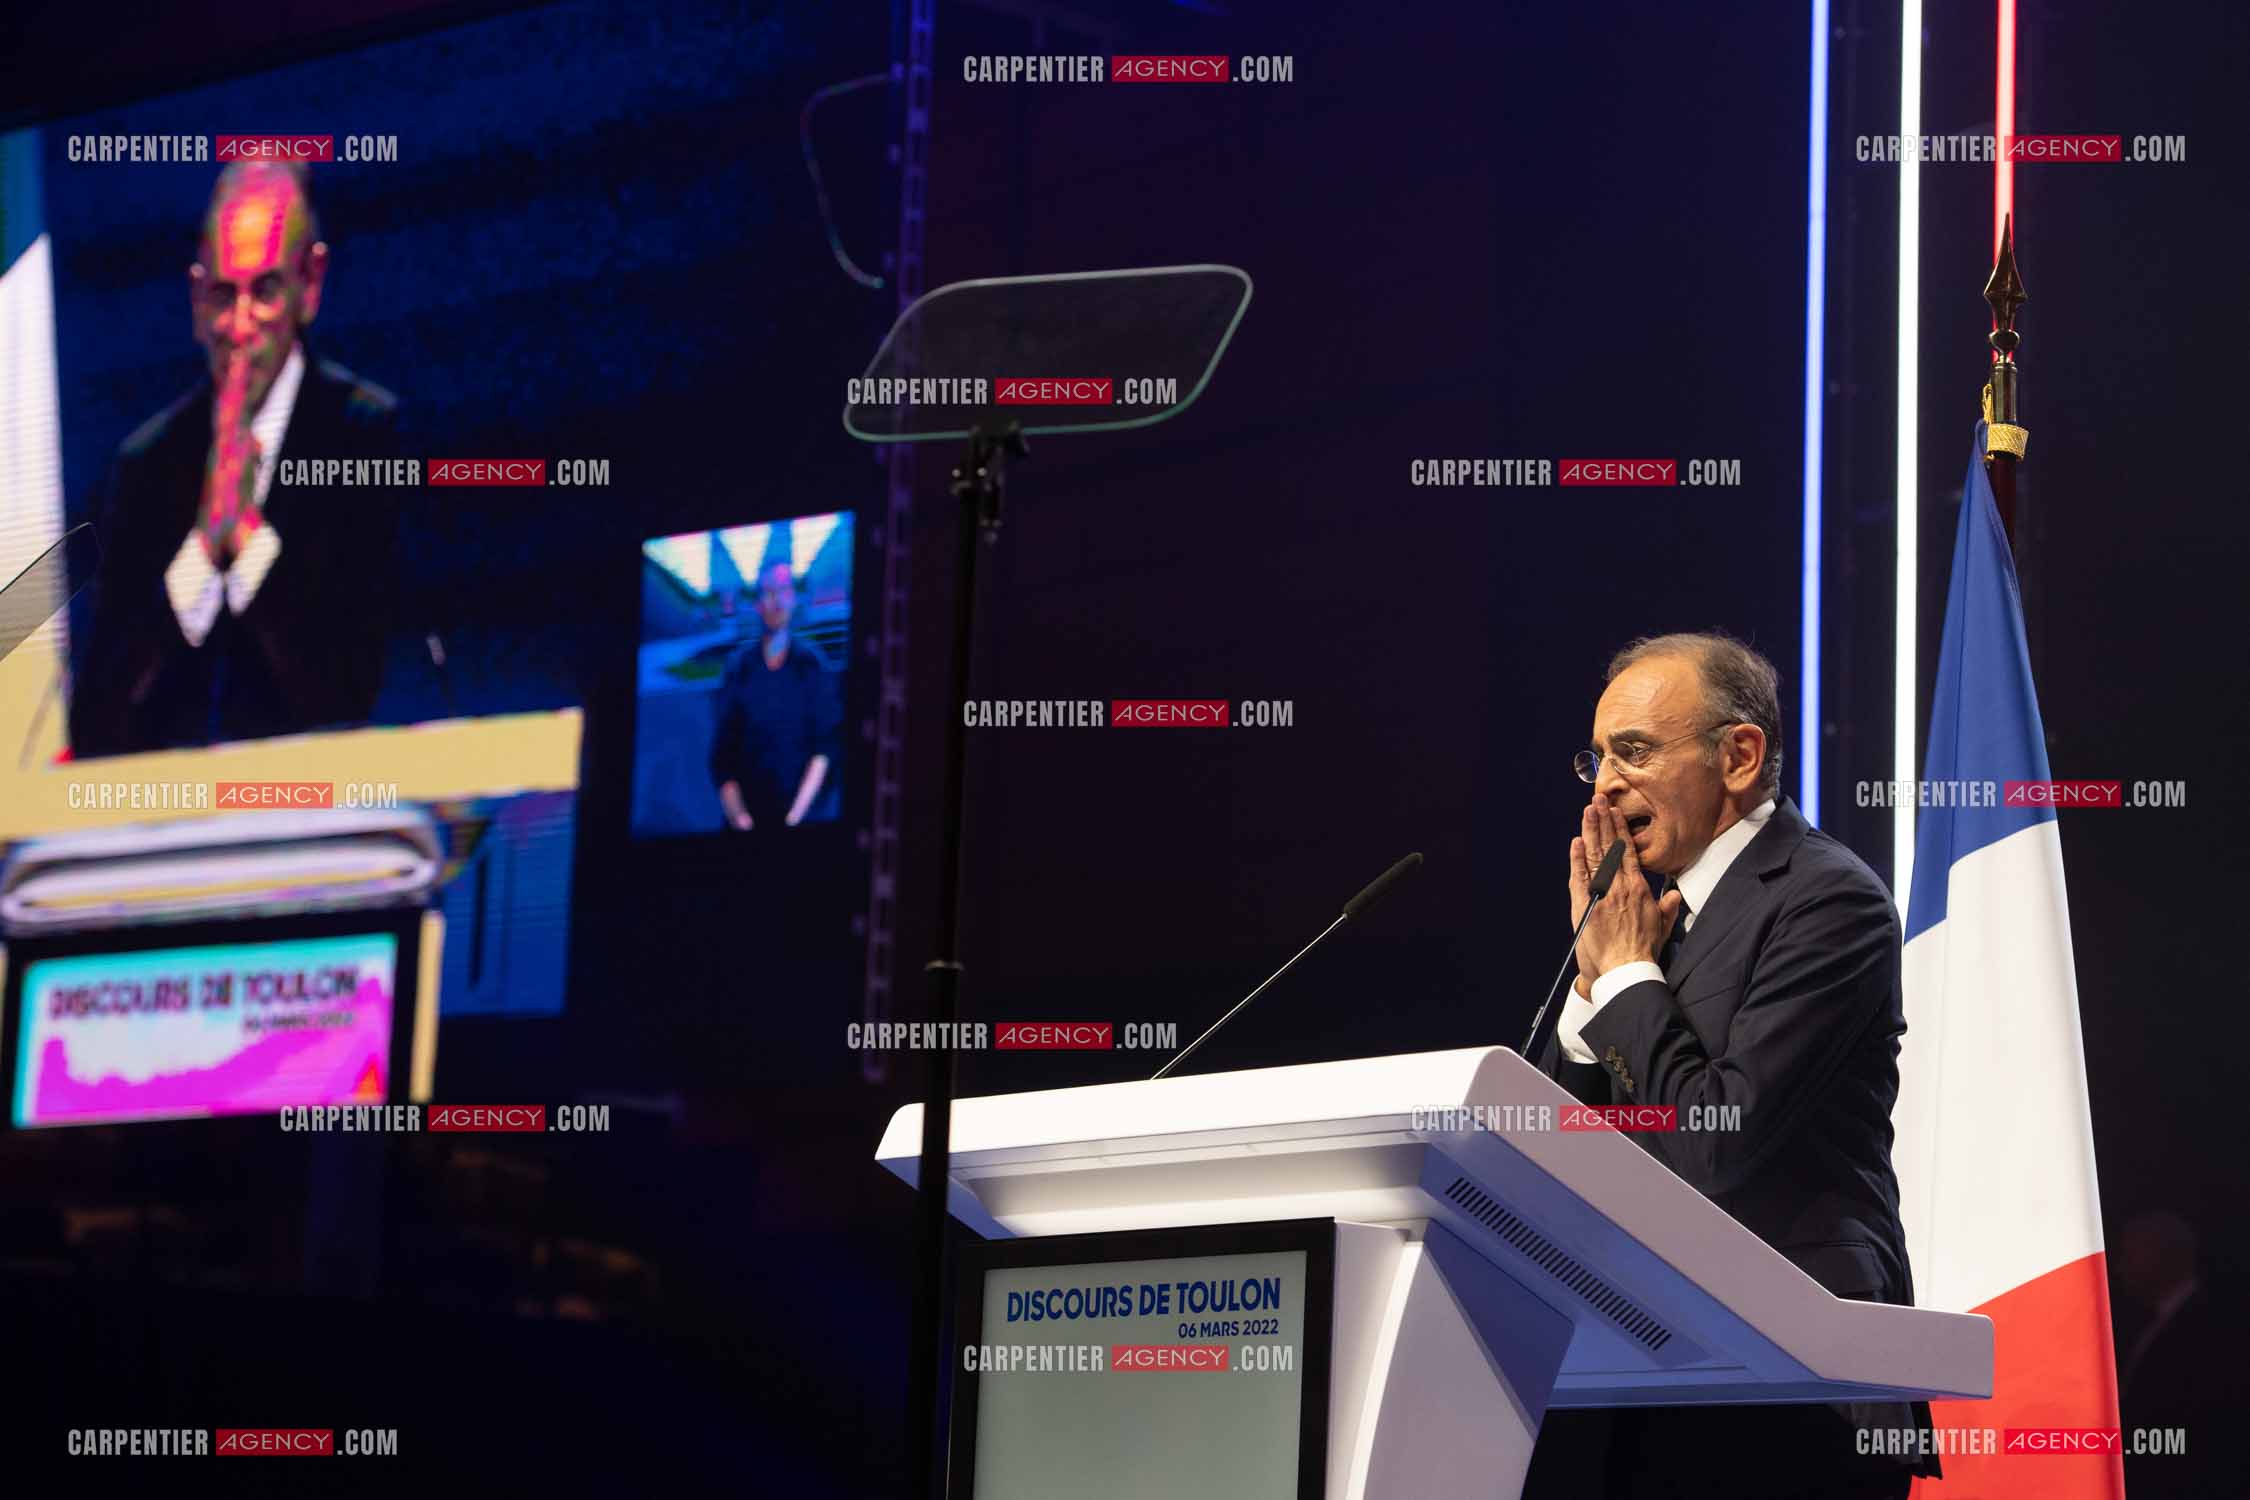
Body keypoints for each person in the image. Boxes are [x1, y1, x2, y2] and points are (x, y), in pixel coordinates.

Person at [1523, 632, 1937, 1500]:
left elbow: (1721, 1139)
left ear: (1740, 756)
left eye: (1634, 752)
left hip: (1793, 1395)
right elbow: (1561, 1162)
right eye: (1596, 758)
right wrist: (1594, 983)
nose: (1603, 784)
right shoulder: (1636, 916)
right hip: (1624, 1374)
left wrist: (1628, 975)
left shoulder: (1828, 899)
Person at [69, 160, 401, 757]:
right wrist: (201, 551)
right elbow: (96, 728)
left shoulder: (365, 435)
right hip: (170, 830)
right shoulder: (146, 463)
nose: (241, 324)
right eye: (223, 295)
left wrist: (246, 544)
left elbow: (352, 697)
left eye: (265, 291)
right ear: (197, 298)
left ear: (311, 283)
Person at [708, 560, 837, 831]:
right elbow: (722, 757)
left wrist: (795, 819)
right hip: (743, 827)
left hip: (802, 825)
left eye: (784, 590)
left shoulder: (811, 664)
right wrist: (740, 819)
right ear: (757, 603)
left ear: (795, 598)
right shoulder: (738, 668)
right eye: (768, 592)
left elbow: (823, 749)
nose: (776, 600)